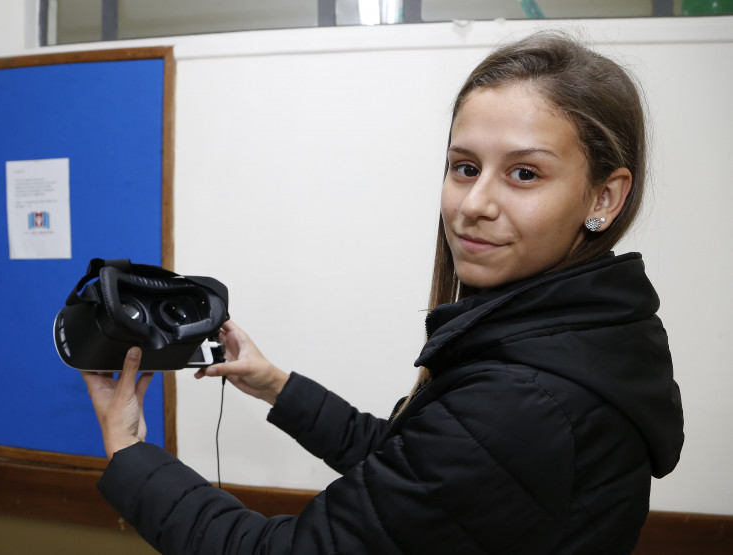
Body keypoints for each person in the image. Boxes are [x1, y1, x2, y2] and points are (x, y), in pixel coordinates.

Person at [81, 31, 684, 554]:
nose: (474, 205)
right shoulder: (595, 329)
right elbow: (408, 464)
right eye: (465, 167)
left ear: (604, 197)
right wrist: (272, 383)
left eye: (525, 173)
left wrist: (130, 452)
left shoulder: (523, 402)